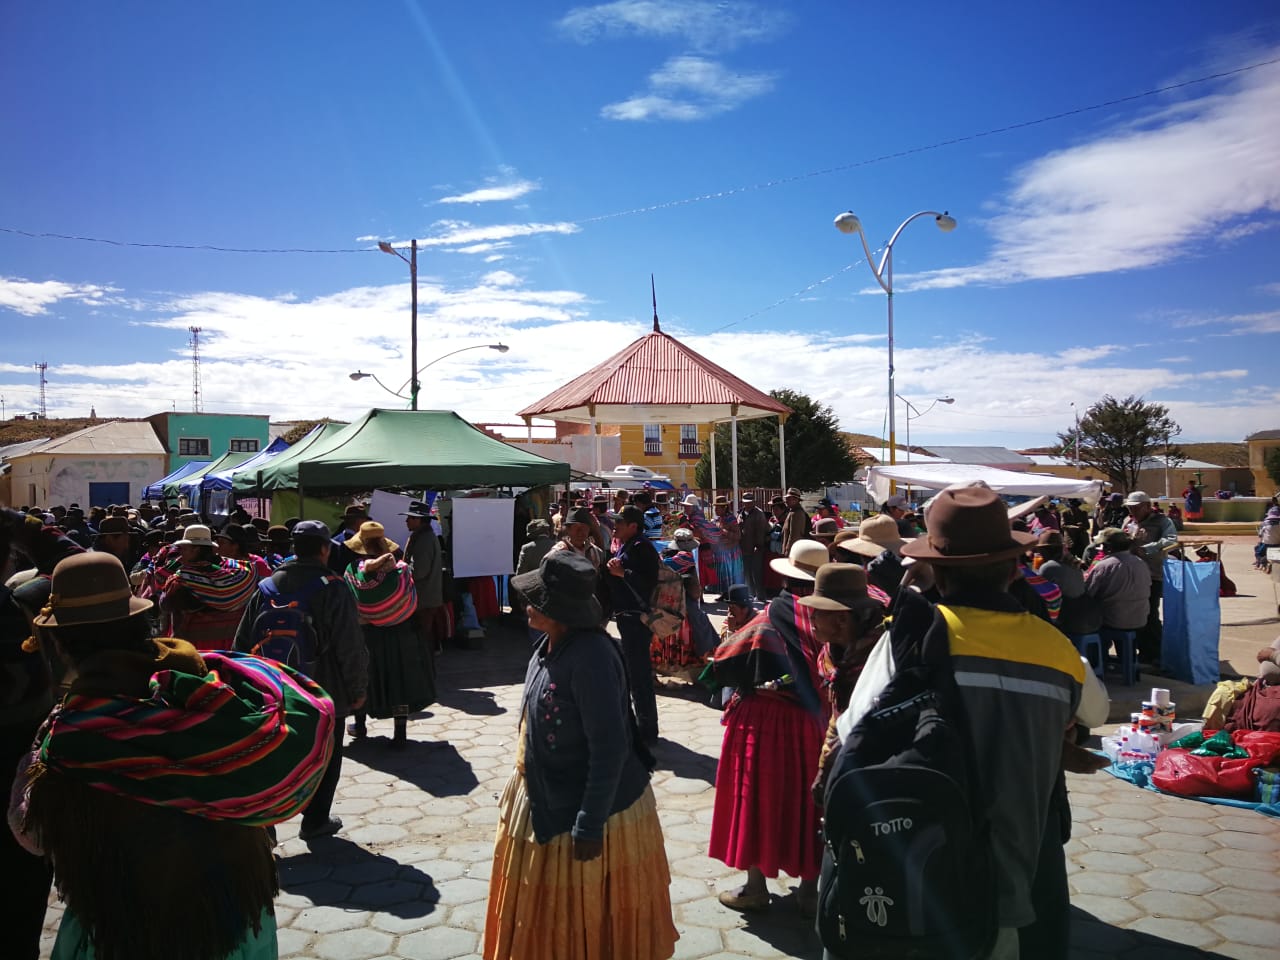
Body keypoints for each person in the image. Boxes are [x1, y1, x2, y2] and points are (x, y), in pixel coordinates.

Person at [12, 551, 336, 960]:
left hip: (122, 926)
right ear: (136, 623)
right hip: (233, 912)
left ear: (60, 645)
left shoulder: (72, 736)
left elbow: (32, 835)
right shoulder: (207, 686)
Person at [836, 486, 1087, 956]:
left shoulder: (911, 638)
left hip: (927, 858)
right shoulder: (1056, 648)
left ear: (937, 574)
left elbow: (855, 729)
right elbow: (1090, 710)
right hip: (1018, 864)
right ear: (1015, 569)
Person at [484, 551, 677, 960]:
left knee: (584, 926)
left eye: (537, 601)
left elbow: (609, 748)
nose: (527, 606)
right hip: (545, 794)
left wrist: (589, 824)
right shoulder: (548, 646)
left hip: (591, 811)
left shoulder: (591, 658)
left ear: (561, 610)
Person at [707, 539, 829, 917]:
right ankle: (810, 891)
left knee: (755, 797)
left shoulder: (772, 615)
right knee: (809, 803)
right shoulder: (833, 618)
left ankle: (756, 887)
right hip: (815, 723)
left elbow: (724, 661)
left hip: (762, 721)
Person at [235, 520, 367, 841]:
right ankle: (316, 819)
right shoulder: (333, 586)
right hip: (323, 690)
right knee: (326, 753)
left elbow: (241, 643)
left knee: (274, 752)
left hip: (273, 688)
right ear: (324, 549)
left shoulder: (267, 586)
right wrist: (358, 690)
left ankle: (267, 824)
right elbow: (350, 644)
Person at [342, 521, 434, 747]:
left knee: (365, 677)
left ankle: (360, 725)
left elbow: (349, 604)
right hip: (401, 632)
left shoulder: (353, 571)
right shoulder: (401, 570)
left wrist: (370, 615)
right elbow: (411, 599)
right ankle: (400, 734)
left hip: (367, 634)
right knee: (399, 679)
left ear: (361, 544)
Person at [803, 564, 888, 807]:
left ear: (841, 619)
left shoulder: (880, 656)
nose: (811, 618)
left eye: (817, 612)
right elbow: (837, 716)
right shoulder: (833, 655)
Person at [608, 505, 662, 743]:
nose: (615, 526)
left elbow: (649, 582)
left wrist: (623, 573)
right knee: (633, 675)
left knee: (639, 677)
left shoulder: (642, 547)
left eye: (620, 522)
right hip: (626, 616)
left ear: (633, 526)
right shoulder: (628, 545)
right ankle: (639, 726)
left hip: (637, 619)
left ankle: (647, 732)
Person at [159, 524, 259, 651]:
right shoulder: (240, 573)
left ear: (195, 550)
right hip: (230, 644)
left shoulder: (182, 580)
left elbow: (166, 604)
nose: (180, 554)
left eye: (184, 549)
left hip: (197, 647)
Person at [1121, 491, 1178, 665]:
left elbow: (1171, 540)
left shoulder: (1162, 521)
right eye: (1130, 508)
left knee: (1150, 614)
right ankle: (1143, 651)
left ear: (1147, 506)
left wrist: (1148, 548)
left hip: (1153, 574)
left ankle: (1156, 653)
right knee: (1135, 614)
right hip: (1131, 573)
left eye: (1136, 508)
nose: (1133, 512)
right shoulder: (1128, 521)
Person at [401, 500, 447, 654]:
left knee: (423, 639)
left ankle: (425, 669)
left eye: (410, 518)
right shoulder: (423, 536)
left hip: (423, 598)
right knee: (425, 637)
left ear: (418, 519)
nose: (406, 520)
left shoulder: (424, 539)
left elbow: (419, 571)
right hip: (425, 597)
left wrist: (400, 569)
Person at [1085, 528, 1152, 633]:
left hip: (1113, 620)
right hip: (1140, 619)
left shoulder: (1104, 566)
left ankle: (1100, 649)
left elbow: (1088, 593)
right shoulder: (1141, 563)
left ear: (1107, 547)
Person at [738, 494, 770, 602]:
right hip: (744, 548)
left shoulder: (759, 514)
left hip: (756, 548)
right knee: (747, 573)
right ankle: (751, 595)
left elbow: (761, 531)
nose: (747, 504)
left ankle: (760, 596)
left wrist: (758, 545)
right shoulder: (741, 514)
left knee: (757, 573)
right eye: (746, 502)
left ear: (753, 502)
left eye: (750, 501)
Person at [710, 495, 744, 596]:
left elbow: (738, 536)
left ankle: (731, 594)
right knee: (722, 573)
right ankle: (724, 593)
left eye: (717, 508)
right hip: (721, 552)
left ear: (724, 507)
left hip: (731, 552)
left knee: (731, 573)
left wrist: (724, 532)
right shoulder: (718, 520)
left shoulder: (731, 519)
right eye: (714, 507)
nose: (715, 510)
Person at [781, 487, 809, 556]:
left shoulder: (797, 513)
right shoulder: (792, 511)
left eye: (789, 498)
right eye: (786, 498)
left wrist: (788, 551)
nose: (786, 500)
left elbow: (794, 535)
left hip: (793, 552)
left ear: (796, 500)